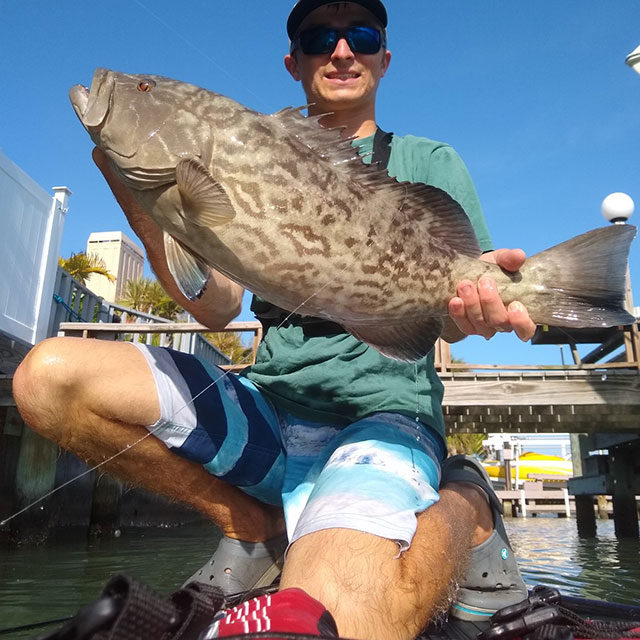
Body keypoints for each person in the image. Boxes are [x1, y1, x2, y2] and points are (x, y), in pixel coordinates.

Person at [12, 1, 537, 639]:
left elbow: (449, 323)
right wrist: (148, 209)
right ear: (294, 62)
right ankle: (251, 524)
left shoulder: (429, 161)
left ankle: (466, 502)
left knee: (329, 613)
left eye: (361, 36)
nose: (342, 51)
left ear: (383, 58)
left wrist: (478, 311)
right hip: (270, 411)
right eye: (320, 38)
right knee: (48, 378)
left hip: (383, 416)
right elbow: (217, 307)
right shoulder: (246, 143)